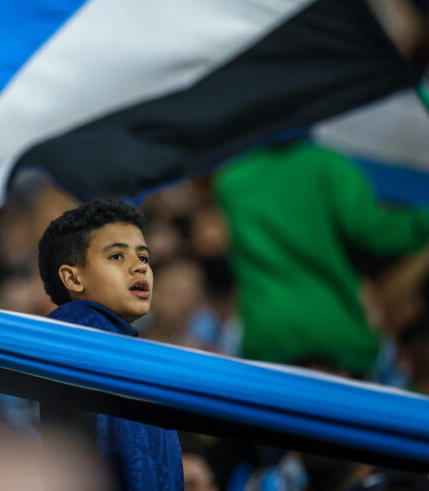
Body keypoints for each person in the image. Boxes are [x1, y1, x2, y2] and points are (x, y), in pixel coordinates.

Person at [214, 140, 429, 377]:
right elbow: (374, 231)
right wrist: (422, 223)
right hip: (335, 332)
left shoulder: (233, 180)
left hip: (270, 335)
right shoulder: (330, 167)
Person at [37, 198, 184, 491]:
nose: (139, 268)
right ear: (73, 278)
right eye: (117, 256)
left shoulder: (115, 339)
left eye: (143, 258)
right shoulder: (79, 327)